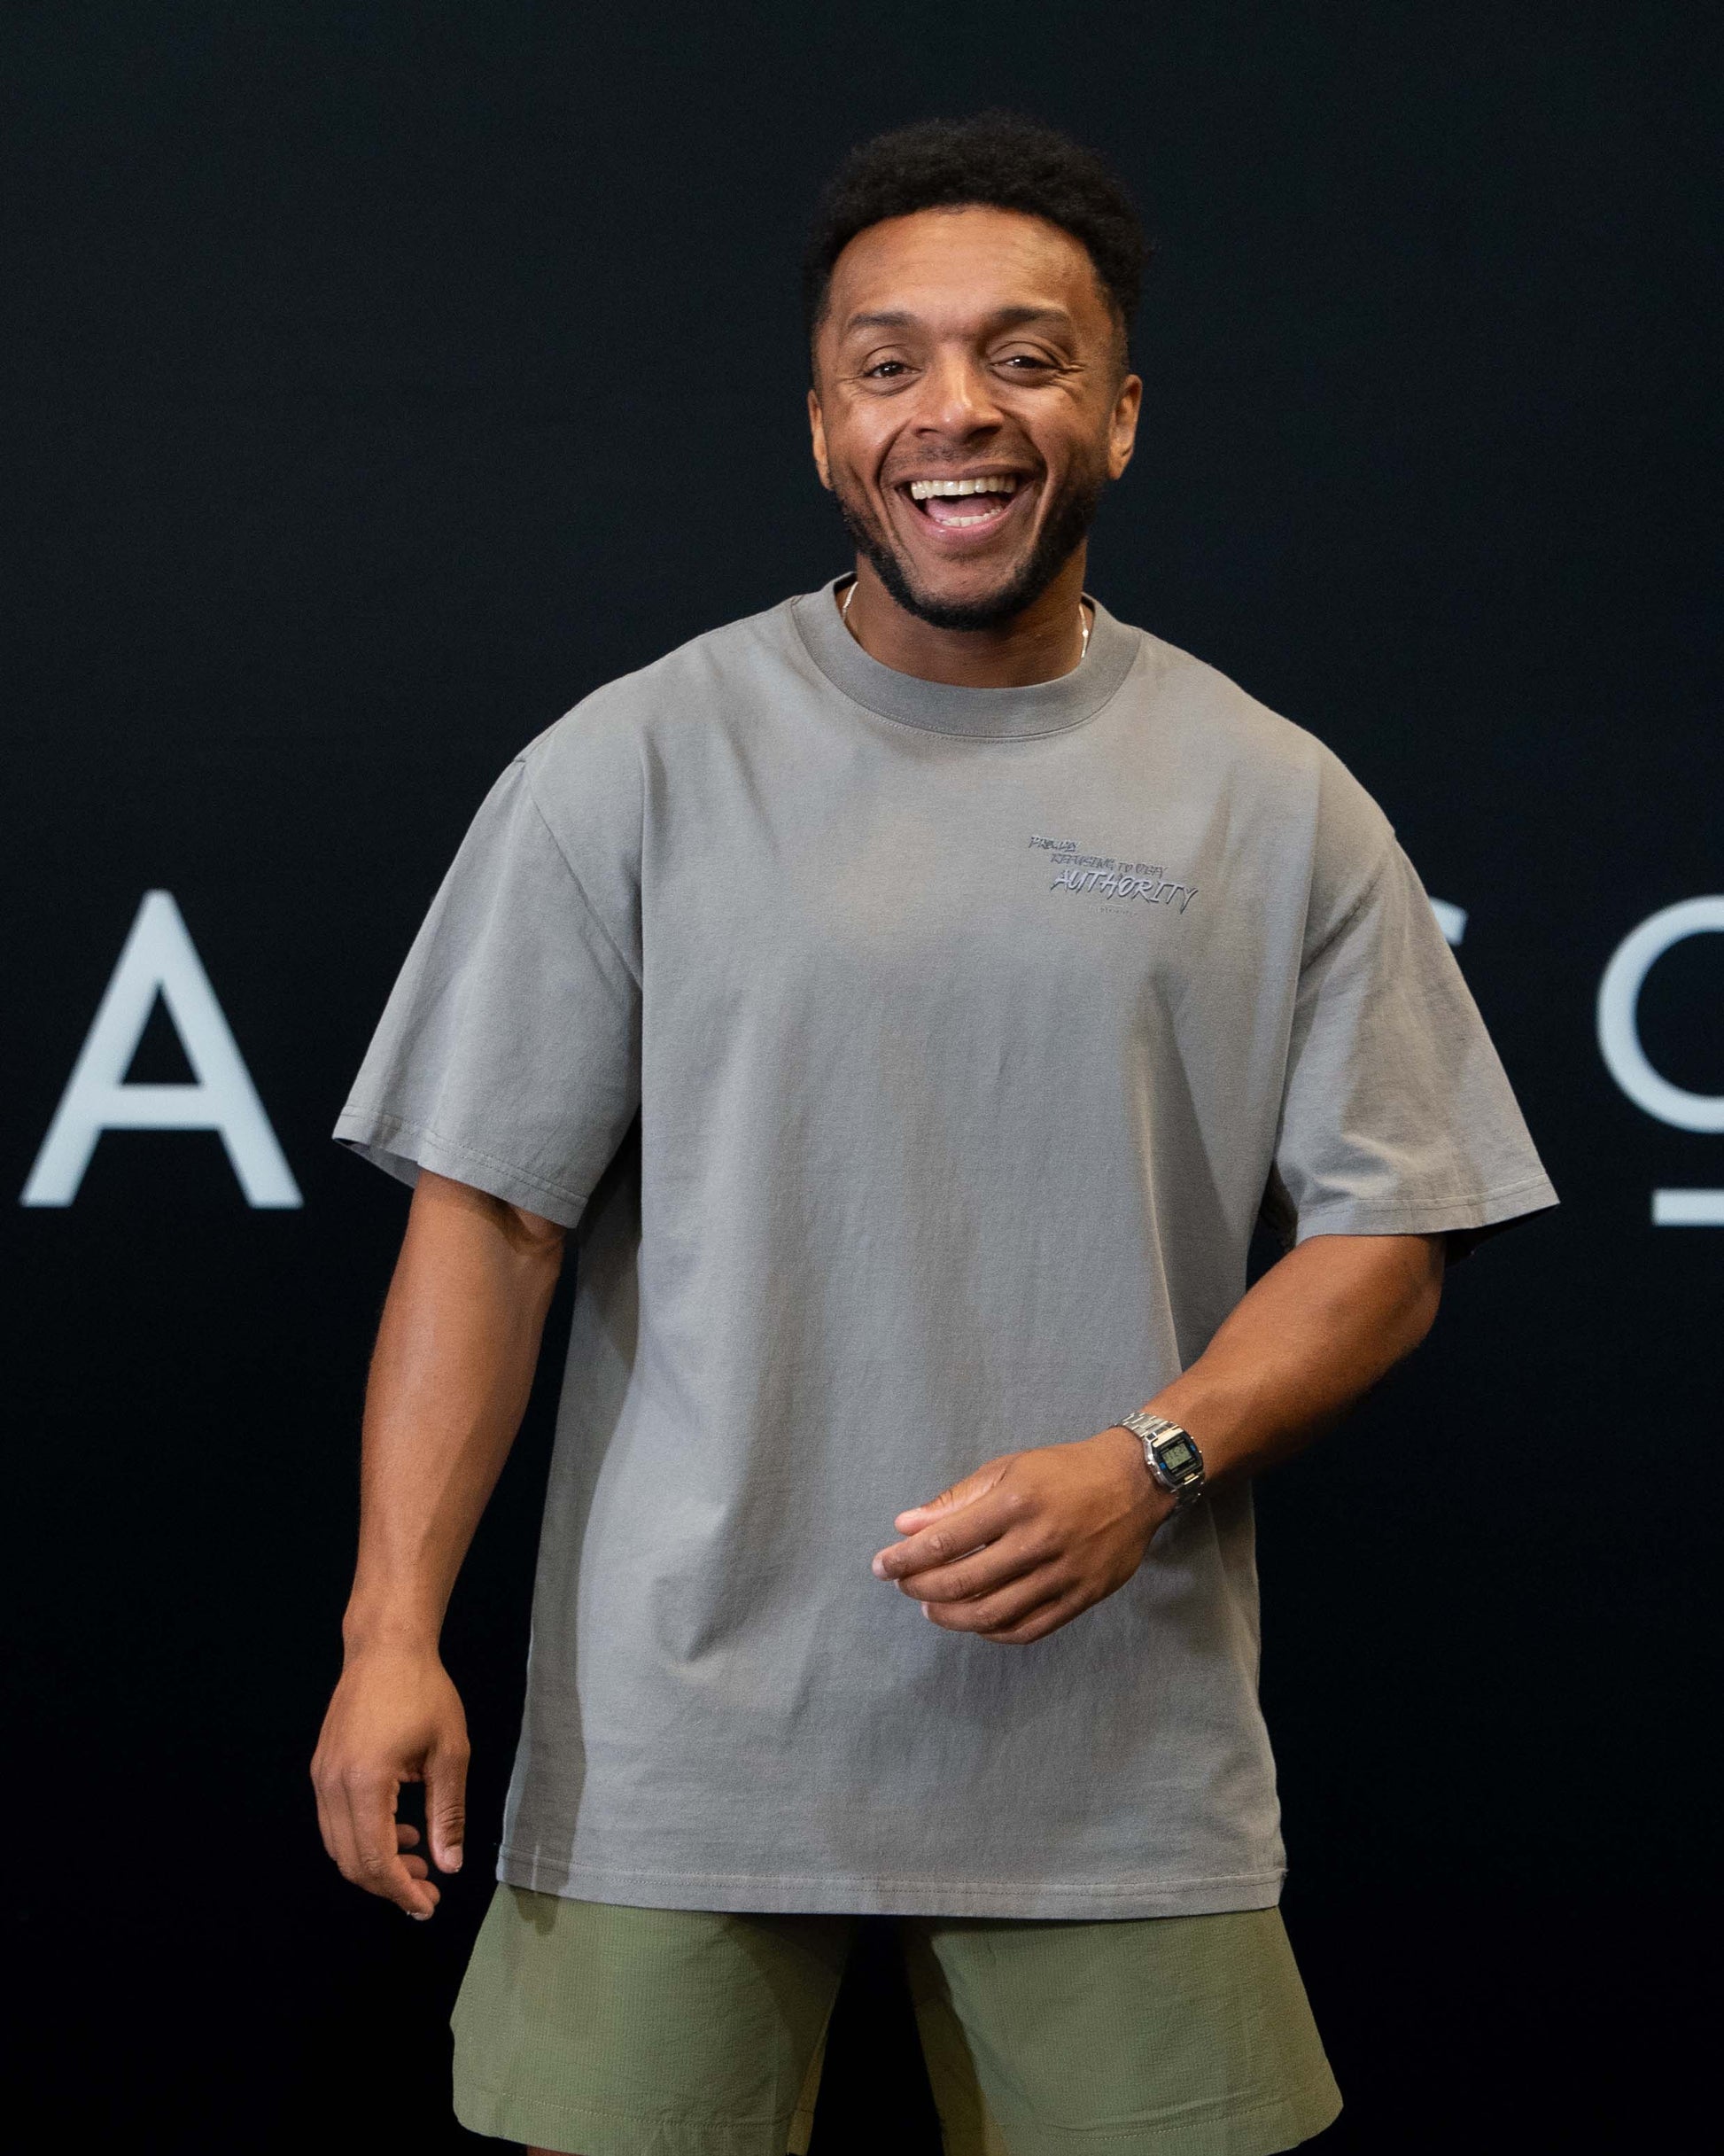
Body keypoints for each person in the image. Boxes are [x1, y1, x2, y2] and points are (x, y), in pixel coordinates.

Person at [312, 113, 1556, 2156]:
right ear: (822, 426)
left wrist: (1147, 1461)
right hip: (676, 1751)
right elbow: (490, 1224)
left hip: (1114, 1753)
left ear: (1121, 415)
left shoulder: (1273, 795)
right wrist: (388, 1637)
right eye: (888, 363)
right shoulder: (631, 763)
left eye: (1025, 355)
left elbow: (1390, 1233)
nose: (953, 410)